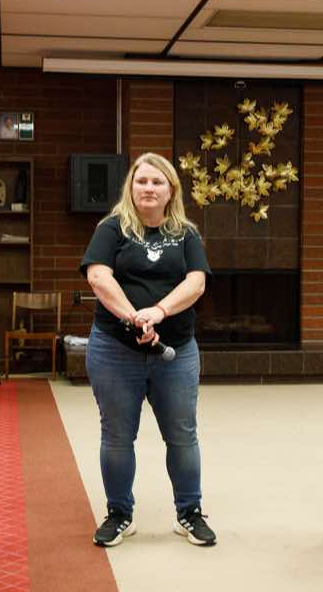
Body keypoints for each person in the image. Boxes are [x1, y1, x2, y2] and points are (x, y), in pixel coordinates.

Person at [79, 152, 215, 548]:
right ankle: (119, 514)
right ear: (131, 187)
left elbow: (196, 283)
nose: (149, 188)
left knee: (182, 436)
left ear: (171, 190)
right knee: (117, 436)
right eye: (142, 181)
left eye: (157, 182)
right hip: (114, 350)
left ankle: (189, 512)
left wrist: (158, 312)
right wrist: (134, 319)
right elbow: (98, 277)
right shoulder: (111, 228)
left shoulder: (186, 234)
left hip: (176, 353)